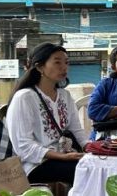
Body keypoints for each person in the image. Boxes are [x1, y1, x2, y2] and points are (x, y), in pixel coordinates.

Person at [5, 42, 88, 185]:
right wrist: (61, 157)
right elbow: (23, 146)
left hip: (65, 156)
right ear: (39, 67)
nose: (64, 67)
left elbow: (76, 130)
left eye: (66, 62)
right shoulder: (24, 97)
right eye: (57, 62)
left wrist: (90, 147)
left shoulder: (65, 95)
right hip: (34, 165)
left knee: (97, 165)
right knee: (85, 171)